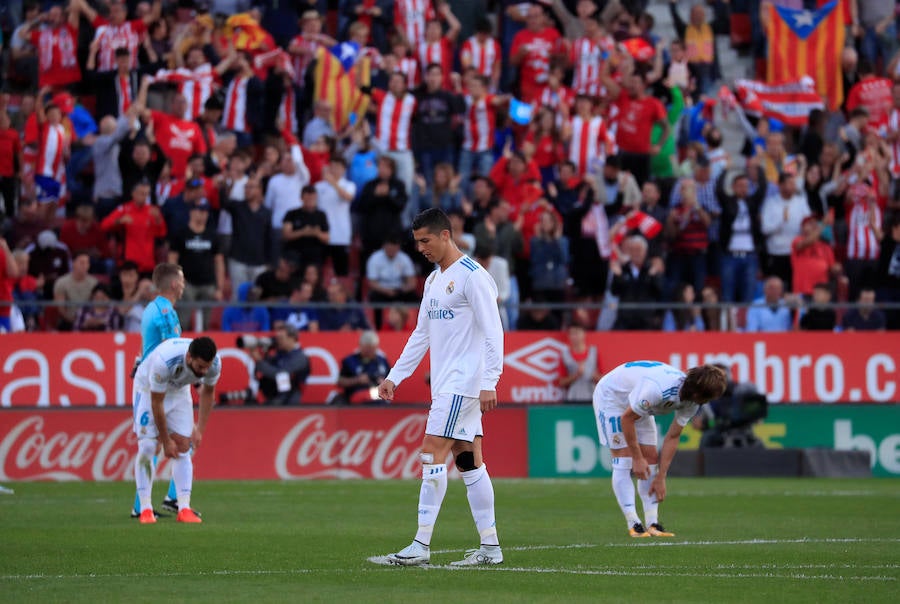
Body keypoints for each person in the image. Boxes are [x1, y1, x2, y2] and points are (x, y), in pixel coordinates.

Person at [377, 208, 504, 567]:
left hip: (462, 385)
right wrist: (394, 376)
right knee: (469, 462)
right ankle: (490, 548)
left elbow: (494, 331)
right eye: (417, 242)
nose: (420, 248)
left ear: (446, 235)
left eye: (425, 240)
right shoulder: (433, 281)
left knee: (431, 452)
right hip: (448, 384)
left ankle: (421, 544)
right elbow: (422, 334)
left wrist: (490, 381)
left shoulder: (473, 277)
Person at [592, 361, 727, 537]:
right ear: (697, 392)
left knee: (651, 459)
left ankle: (652, 524)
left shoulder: (692, 402)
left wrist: (661, 476)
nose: (707, 402)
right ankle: (634, 524)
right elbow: (627, 419)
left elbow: (673, 436)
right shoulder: (657, 390)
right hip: (613, 397)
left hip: (638, 402)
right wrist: (637, 458)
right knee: (624, 458)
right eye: (707, 398)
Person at [132, 336, 220, 524]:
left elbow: (208, 393)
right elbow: (156, 403)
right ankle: (145, 509)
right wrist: (165, 440)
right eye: (200, 367)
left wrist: (200, 430)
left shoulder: (214, 364)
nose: (204, 371)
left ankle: (184, 509)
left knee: (183, 448)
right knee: (148, 447)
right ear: (189, 357)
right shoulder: (164, 361)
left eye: (207, 367)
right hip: (148, 389)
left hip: (179, 391)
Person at [250, 324, 310, 406]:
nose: (278, 341)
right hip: (275, 397)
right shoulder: (280, 354)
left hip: (290, 401)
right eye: (277, 338)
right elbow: (265, 370)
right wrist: (264, 353)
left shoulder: (299, 357)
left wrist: (259, 360)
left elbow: (279, 374)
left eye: (281, 338)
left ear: (291, 338)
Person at [335, 330, 392, 405]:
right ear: (360, 346)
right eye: (367, 349)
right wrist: (357, 380)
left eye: (372, 349)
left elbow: (393, 381)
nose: (369, 352)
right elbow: (340, 382)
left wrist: (384, 382)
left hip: (379, 397)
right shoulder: (350, 361)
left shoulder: (382, 361)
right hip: (357, 397)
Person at [557, 323, 601, 403]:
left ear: (584, 334)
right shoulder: (565, 355)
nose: (574, 337)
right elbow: (561, 382)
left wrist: (593, 376)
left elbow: (603, 379)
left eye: (577, 333)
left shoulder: (594, 352)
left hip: (592, 397)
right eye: (571, 334)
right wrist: (576, 375)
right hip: (572, 398)